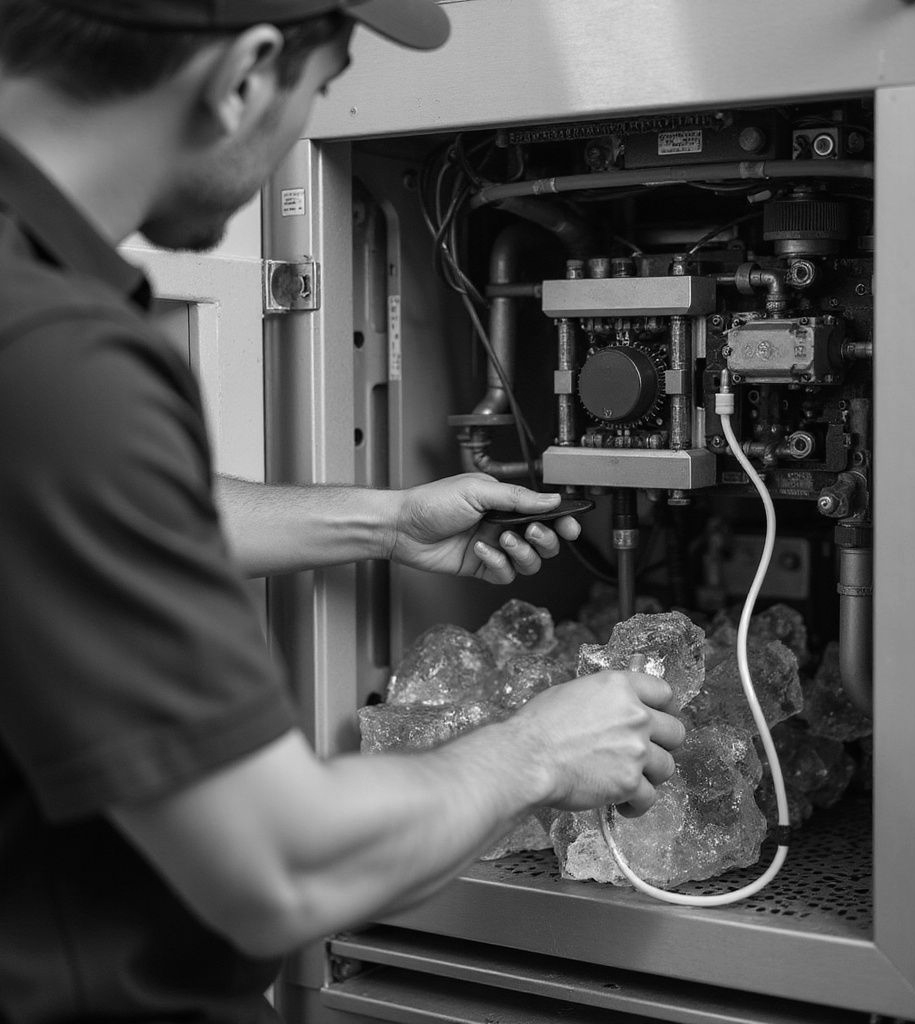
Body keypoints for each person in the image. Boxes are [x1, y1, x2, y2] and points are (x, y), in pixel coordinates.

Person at [0, 2, 686, 1022]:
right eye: (322, 91)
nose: (306, 122)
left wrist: (386, 520)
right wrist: (538, 750)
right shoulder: (56, 358)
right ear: (246, 75)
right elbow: (282, 866)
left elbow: (56, 514)